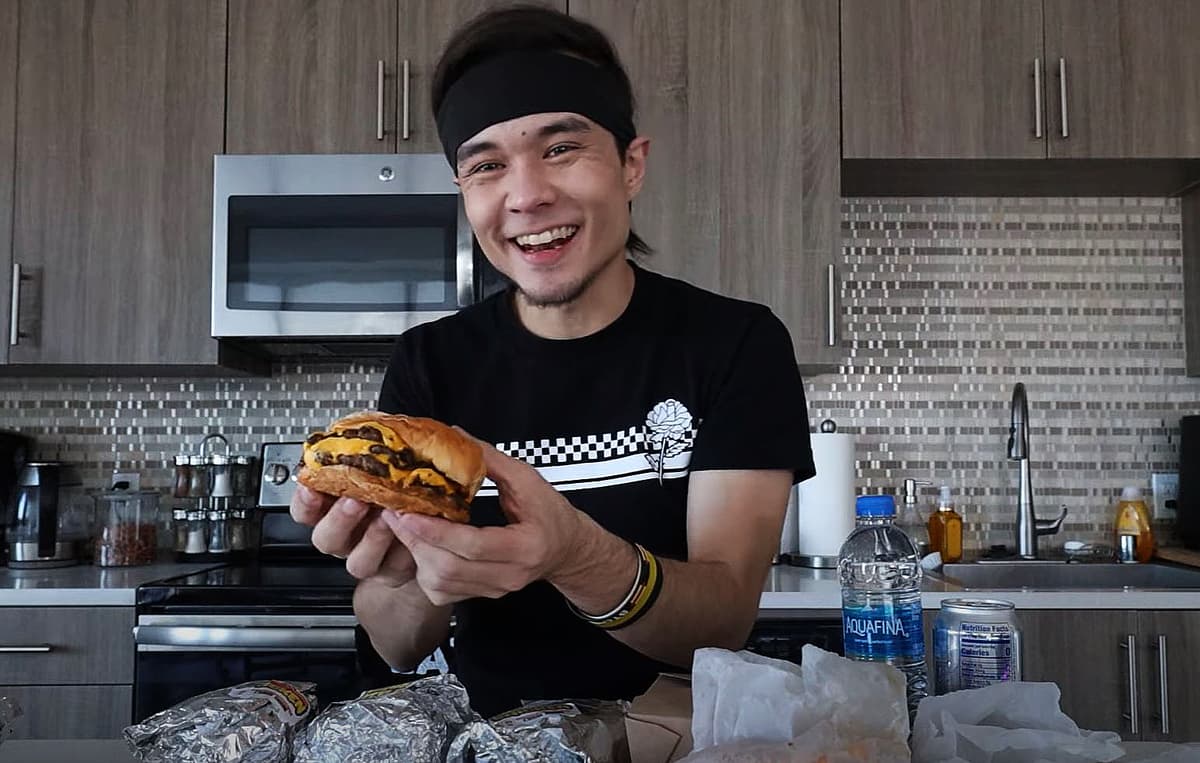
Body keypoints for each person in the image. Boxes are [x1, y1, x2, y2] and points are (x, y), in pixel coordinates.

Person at [290, 4, 815, 717]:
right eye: (486, 165)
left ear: (632, 165)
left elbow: (721, 621)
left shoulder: (734, 344)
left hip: (670, 739)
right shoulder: (430, 362)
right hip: (491, 738)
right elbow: (401, 646)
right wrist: (401, 576)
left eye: (561, 149)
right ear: (465, 194)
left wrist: (574, 553)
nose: (527, 195)